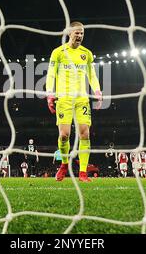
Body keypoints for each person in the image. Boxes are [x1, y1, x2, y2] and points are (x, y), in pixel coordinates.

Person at [46, 21, 102, 182]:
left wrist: (97, 91)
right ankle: (64, 165)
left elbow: (92, 75)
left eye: (82, 33)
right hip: (63, 99)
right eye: (77, 32)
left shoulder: (87, 54)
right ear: (70, 33)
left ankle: (83, 172)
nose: (80, 35)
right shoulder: (58, 52)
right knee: (64, 135)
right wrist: (50, 94)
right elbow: (50, 74)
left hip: (82, 99)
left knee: (85, 133)